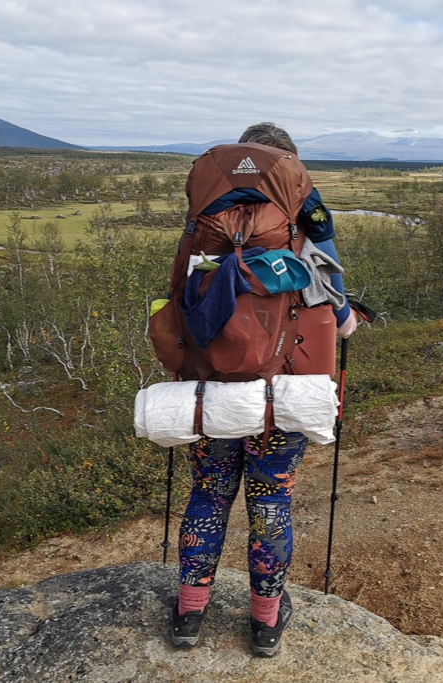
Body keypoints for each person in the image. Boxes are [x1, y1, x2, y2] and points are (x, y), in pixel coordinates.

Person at [170, 123, 356, 656]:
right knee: (271, 499)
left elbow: (176, 295)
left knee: (208, 494)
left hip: (212, 392)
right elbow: (337, 310)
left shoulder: (206, 217)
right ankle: (266, 623)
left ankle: (189, 613)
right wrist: (345, 319)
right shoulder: (305, 215)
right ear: (292, 170)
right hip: (281, 396)